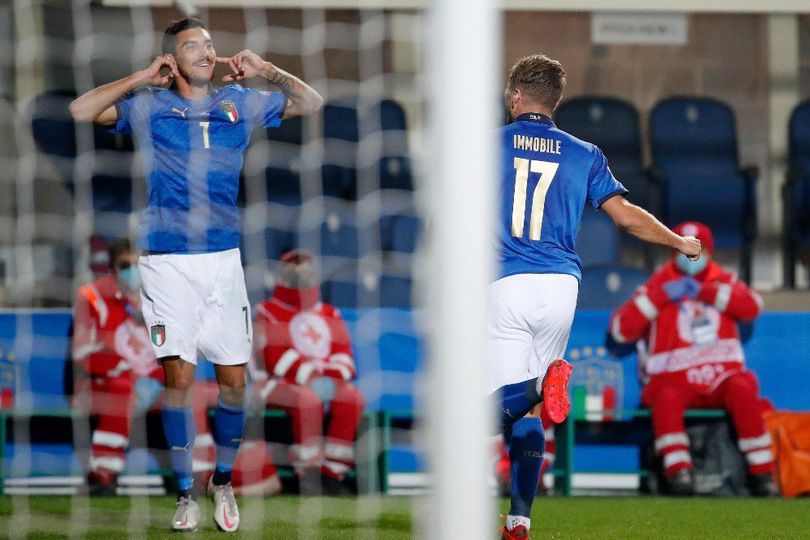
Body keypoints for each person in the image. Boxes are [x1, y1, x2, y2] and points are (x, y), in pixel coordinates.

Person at [69, 17, 323, 532]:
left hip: (224, 263)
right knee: (178, 377)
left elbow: (313, 103)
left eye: (210, 44)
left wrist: (268, 70)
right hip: (165, 263)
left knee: (234, 384)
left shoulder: (243, 102)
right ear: (173, 58)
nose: (207, 52)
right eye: (192, 46)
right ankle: (185, 493)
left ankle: (222, 481)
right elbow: (81, 110)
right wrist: (143, 76)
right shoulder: (150, 106)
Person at [492, 54, 701, 540]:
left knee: (490, 407)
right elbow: (626, 216)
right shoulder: (584, 152)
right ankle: (519, 521)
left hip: (506, 284)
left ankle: (545, 387)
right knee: (527, 416)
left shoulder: (488, 145)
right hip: (562, 288)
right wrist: (679, 242)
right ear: (556, 100)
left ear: (516, 95)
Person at [608, 221, 779, 497]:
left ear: (708, 252)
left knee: (743, 389)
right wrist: (661, 297)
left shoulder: (722, 280)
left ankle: (762, 475)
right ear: (672, 251)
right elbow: (620, 330)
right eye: (682, 250)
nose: (689, 258)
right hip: (676, 379)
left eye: (696, 251)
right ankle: (679, 473)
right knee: (665, 397)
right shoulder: (659, 284)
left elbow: (752, 307)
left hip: (721, 377)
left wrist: (709, 292)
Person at [71, 238, 217, 495]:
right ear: (113, 267)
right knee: (123, 389)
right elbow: (82, 354)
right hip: (102, 384)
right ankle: (103, 475)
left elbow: (170, 348)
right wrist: (126, 370)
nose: (133, 270)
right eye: (125, 264)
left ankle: (198, 474)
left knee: (189, 394)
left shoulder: (159, 297)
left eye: (138, 263)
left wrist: (155, 375)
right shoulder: (91, 297)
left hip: (152, 384)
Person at [252, 250, 364, 494]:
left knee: (352, 398)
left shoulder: (329, 313)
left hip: (321, 380)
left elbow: (344, 356)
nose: (301, 272)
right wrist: (312, 378)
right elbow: (276, 357)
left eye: (305, 267)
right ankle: (308, 473)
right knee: (307, 400)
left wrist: (326, 379)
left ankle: (333, 473)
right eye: (294, 266)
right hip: (274, 384)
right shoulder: (267, 311)